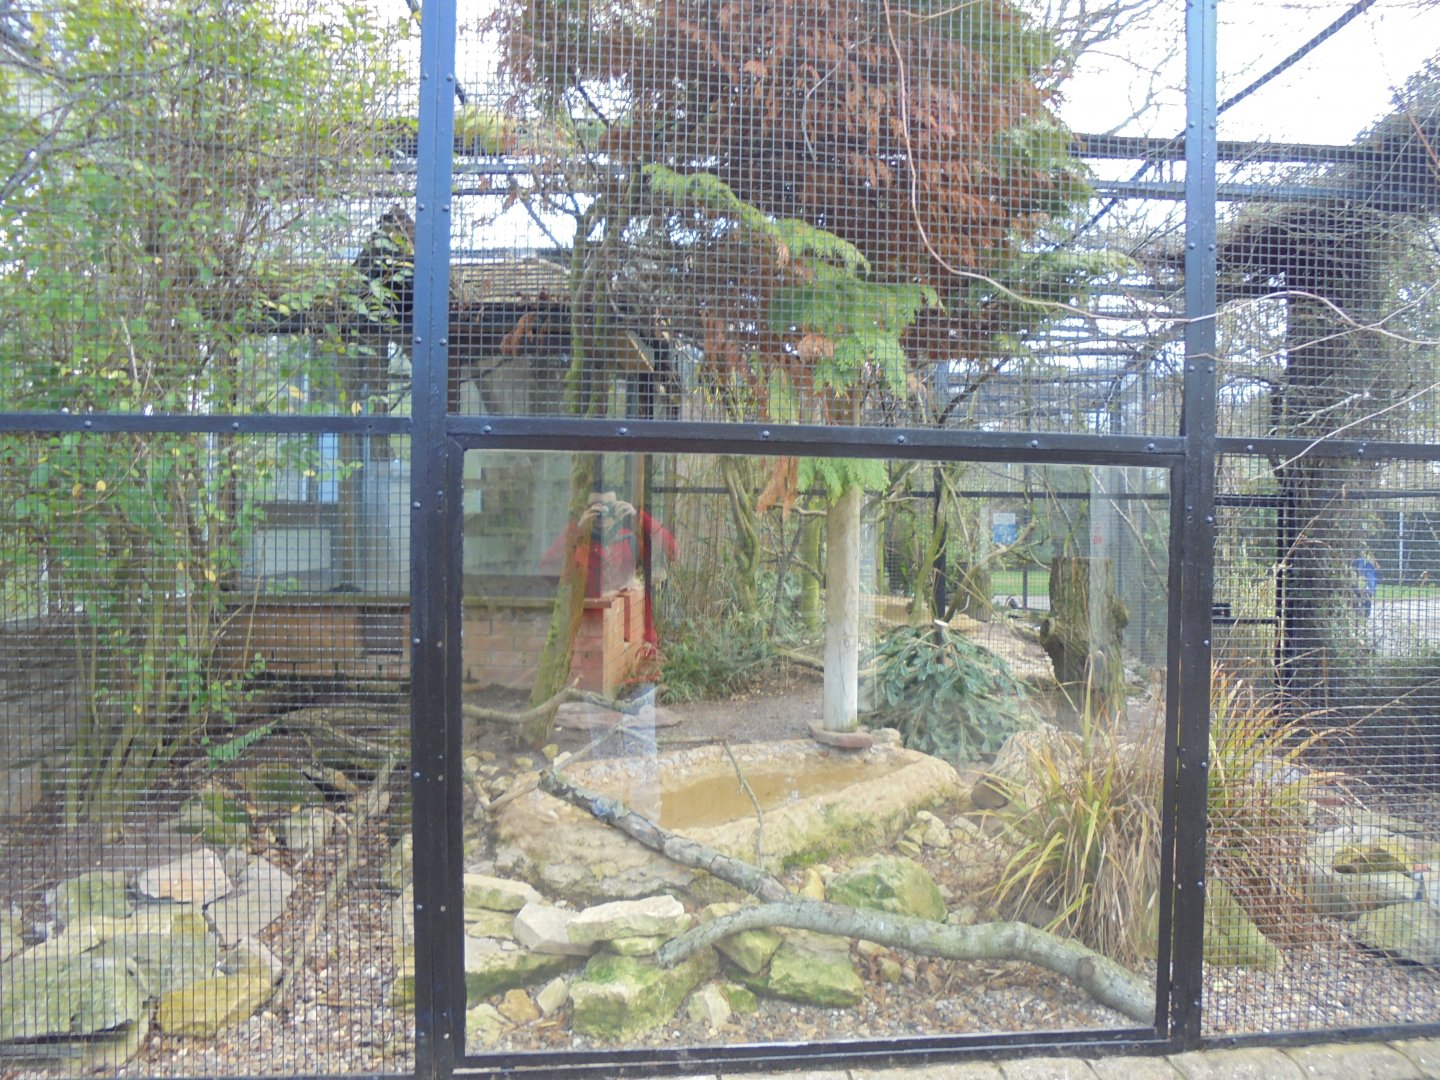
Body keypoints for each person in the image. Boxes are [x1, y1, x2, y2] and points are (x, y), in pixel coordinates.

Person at [539, 491, 678, 648]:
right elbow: (546, 568)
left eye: (609, 507)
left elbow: (672, 550)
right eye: (596, 508)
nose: (602, 514)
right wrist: (576, 529)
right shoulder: (578, 542)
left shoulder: (629, 538)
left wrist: (640, 518)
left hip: (632, 639)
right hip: (586, 637)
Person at [1353, 554, 1380, 618]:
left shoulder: (1369, 567)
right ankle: (1364, 613)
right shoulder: (1363, 562)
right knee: (1363, 598)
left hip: (1367, 585)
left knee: (1366, 598)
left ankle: (1365, 613)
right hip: (1363, 584)